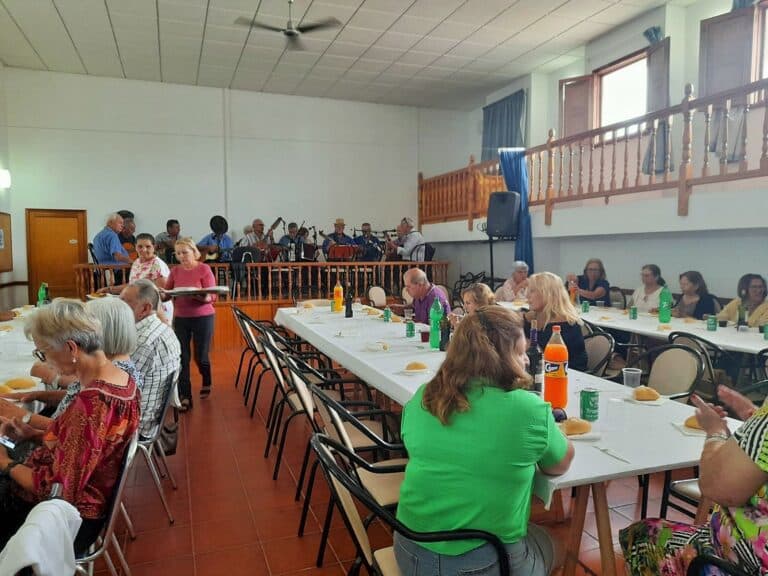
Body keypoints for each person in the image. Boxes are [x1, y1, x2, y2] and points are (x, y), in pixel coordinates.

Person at [396, 305, 573, 576]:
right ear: (505, 357)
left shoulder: (423, 396)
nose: (526, 361)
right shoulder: (528, 409)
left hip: (410, 550)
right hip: (485, 563)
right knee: (558, 546)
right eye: (521, 352)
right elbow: (559, 465)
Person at [0, 299, 139, 553]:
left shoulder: (92, 404)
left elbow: (55, 491)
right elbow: (84, 446)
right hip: (86, 498)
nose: (45, 360)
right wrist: (33, 434)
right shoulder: (122, 379)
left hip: (67, 521)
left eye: (43, 352)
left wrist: (5, 463)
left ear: (71, 348)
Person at [620, 387, 768, 575]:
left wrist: (715, 432)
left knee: (643, 534)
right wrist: (754, 426)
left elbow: (716, 487)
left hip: (739, 562)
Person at [120, 280, 181, 439]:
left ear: (145, 308)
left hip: (138, 424)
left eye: (123, 303)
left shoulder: (143, 342)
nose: (118, 309)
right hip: (150, 416)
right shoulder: (163, 328)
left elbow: (118, 390)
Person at [163, 237, 217, 411]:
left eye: (185, 252)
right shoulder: (175, 271)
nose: (181, 256)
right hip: (181, 318)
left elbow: (212, 296)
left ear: (194, 252)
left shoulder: (204, 268)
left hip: (203, 316)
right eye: (178, 253)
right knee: (182, 358)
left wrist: (201, 296)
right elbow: (167, 294)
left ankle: (206, 378)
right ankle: (185, 396)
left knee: (200, 356)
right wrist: (160, 292)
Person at [97, 233, 173, 320]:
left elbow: (163, 294)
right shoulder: (136, 262)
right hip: (140, 308)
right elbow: (132, 285)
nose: (144, 250)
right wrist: (109, 289)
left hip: (157, 311)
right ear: (135, 247)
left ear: (154, 247)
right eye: (140, 246)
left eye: (148, 246)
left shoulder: (157, 264)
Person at [525, 272, 588, 371]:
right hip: (540, 372)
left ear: (548, 294)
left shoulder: (566, 324)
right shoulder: (533, 317)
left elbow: (552, 362)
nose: (527, 295)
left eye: (532, 291)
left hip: (567, 375)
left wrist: (529, 345)